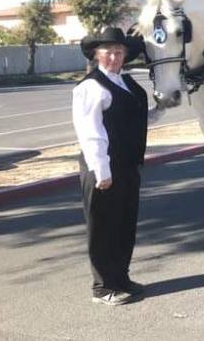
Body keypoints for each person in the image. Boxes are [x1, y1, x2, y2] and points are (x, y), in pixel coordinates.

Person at [72, 27, 149, 306]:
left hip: (127, 166)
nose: (115, 57)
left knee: (125, 224)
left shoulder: (124, 82)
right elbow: (90, 131)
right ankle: (103, 288)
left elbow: (132, 117)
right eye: (109, 52)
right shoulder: (90, 87)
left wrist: (163, 108)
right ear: (96, 55)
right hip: (103, 167)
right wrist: (101, 171)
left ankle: (121, 278)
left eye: (120, 52)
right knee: (103, 226)